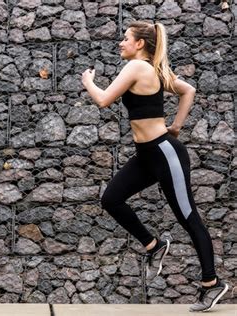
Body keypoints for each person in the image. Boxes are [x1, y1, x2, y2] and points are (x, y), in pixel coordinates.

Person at [81, 21, 229, 312]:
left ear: (139, 44)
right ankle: (154, 246)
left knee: (189, 218)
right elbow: (188, 90)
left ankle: (212, 284)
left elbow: (103, 100)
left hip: (164, 153)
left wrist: (88, 81)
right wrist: (176, 125)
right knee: (111, 199)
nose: (121, 43)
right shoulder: (154, 70)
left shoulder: (137, 68)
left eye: (126, 39)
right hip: (148, 155)